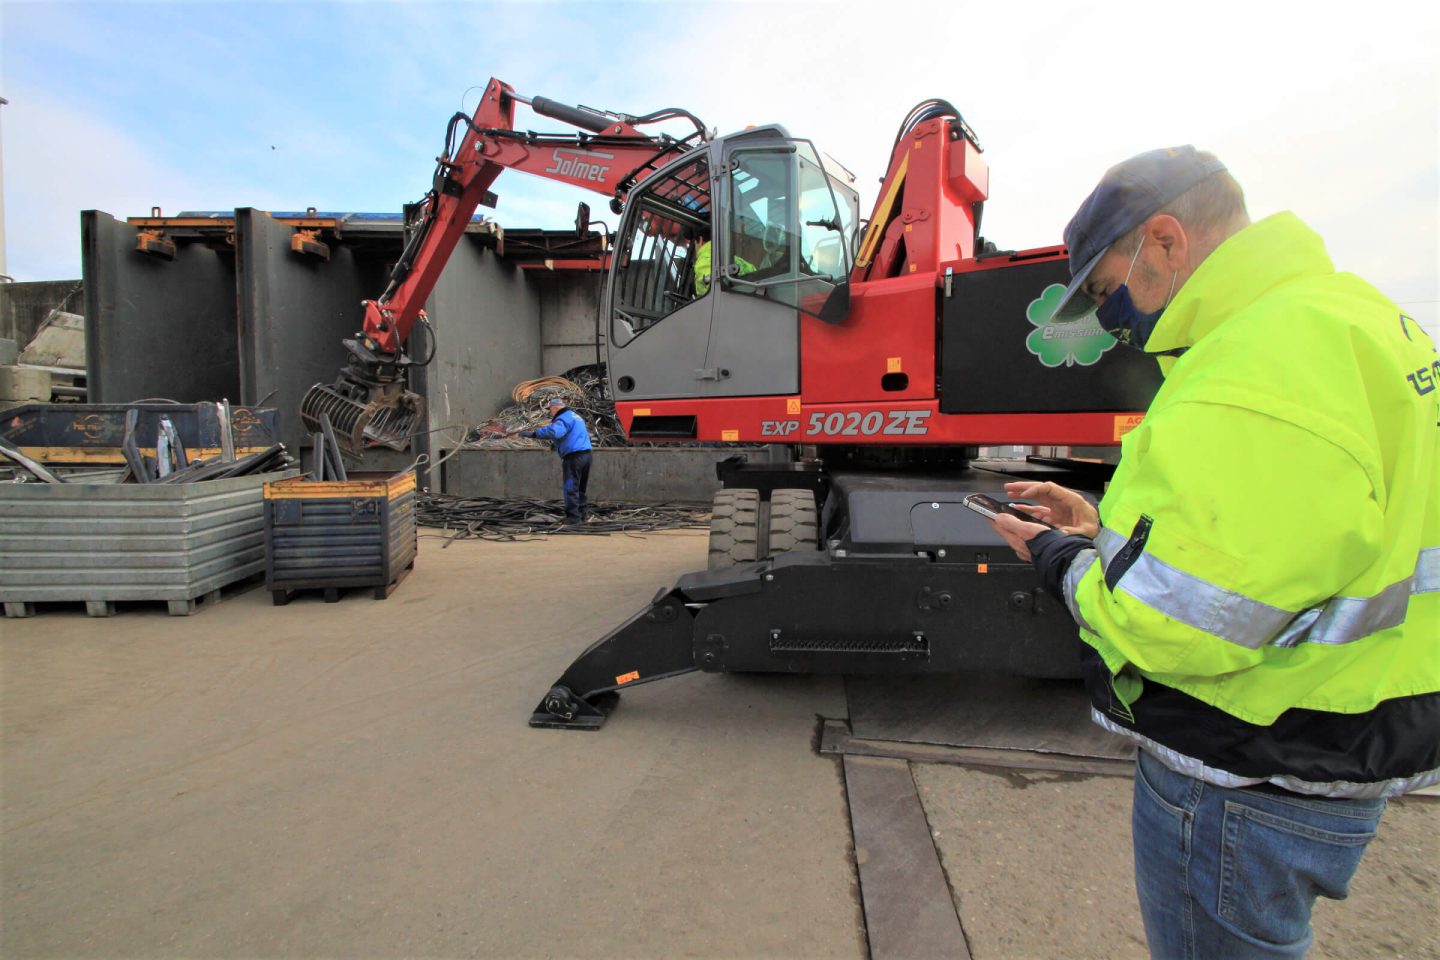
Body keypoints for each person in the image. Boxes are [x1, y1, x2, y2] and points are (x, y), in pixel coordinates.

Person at [984, 145, 1438, 958]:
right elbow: (1284, 544)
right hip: (1340, 722)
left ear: (1163, 242)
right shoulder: (1355, 318)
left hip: (1249, 763)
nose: (1113, 314)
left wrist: (1058, 558)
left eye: (1104, 288)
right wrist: (1098, 525)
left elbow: (1176, 623)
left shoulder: (1251, 367)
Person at [519, 396, 593, 525]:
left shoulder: (563, 417)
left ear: (555, 407)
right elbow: (573, 434)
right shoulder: (575, 416)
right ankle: (582, 514)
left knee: (570, 487)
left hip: (574, 458)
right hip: (586, 455)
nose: (550, 412)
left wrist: (534, 434)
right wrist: (558, 444)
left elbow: (555, 432)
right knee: (580, 487)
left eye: (550, 410)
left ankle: (573, 518)